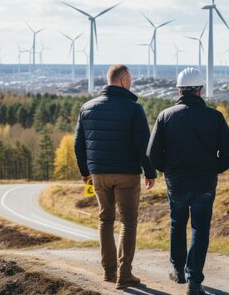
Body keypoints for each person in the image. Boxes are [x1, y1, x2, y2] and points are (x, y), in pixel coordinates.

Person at [147, 67, 229, 295]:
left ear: (179, 90)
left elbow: (152, 153)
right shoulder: (214, 117)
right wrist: (214, 169)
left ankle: (177, 270)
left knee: (177, 223)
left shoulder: (165, 116)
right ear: (200, 91)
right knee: (200, 229)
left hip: (176, 183)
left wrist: (167, 169)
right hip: (204, 183)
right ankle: (194, 282)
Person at [74, 64, 157, 289]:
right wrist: (150, 172)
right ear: (122, 81)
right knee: (128, 221)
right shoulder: (134, 109)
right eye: (130, 79)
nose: (131, 83)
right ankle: (125, 274)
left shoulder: (87, 107)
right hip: (127, 174)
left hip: (98, 174)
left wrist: (85, 172)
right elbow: (143, 145)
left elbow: (78, 145)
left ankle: (109, 272)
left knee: (105, 220)